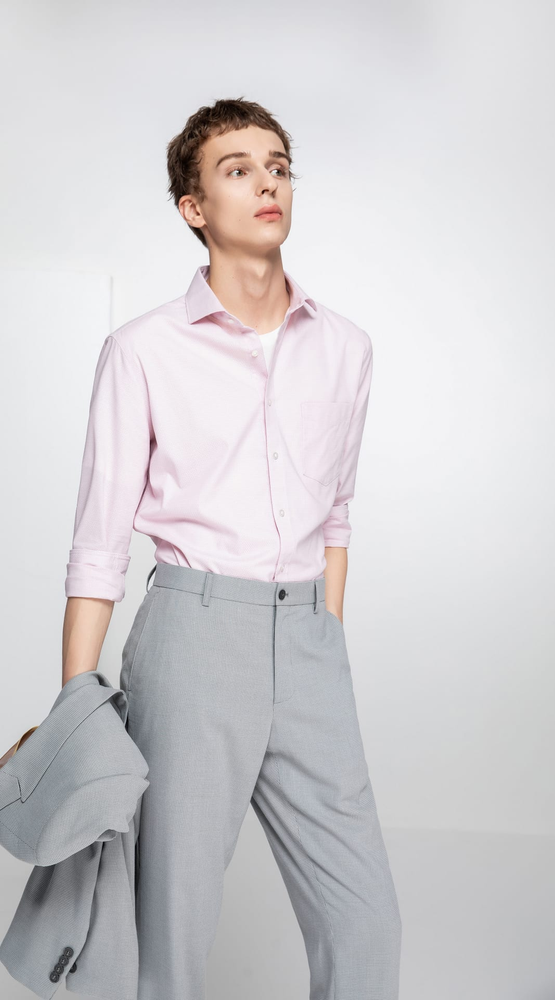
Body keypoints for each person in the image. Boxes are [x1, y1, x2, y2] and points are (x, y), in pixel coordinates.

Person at [60, 97, 402, 1000]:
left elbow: (336, 515)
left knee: (365, 921)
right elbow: (99, 544)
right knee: (171, 924)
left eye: (278, 166)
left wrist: (323, 634)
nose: (267, 183)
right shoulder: (141, 351)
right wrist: (75, 707)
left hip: (309, 641)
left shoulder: (347, 348)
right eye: (238, 169)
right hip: (194, 639)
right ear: (194, 207)